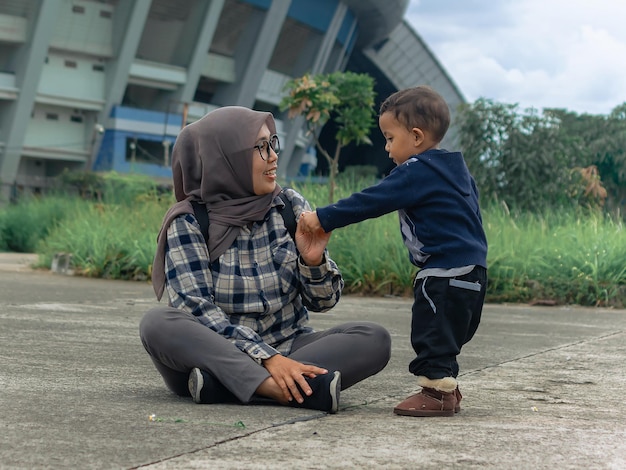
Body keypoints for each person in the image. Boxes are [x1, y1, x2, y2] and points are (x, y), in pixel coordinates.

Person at [139, 106, 391, 414]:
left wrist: (313, 262)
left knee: (373, 337)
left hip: (290, 344)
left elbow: (323, 303)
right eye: (259, 147)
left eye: (272, 143)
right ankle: (279, 387)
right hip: (216, 352)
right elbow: (198, 310)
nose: (273, 156)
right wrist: (267, 358)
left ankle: (227, 387)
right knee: (158, 323)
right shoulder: (190, 221)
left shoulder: (288, 206)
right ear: (225, 157)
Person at [299, 86, 488, 417]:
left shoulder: (417, 170)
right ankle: (448, 388)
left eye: (389, 138)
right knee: (447, 333)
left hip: (442, 272)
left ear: (416, 137)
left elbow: (371, 200)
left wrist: (321, 218)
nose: (386, 148)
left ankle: (436, 393)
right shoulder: (458, 171)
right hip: (474, 271)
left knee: (431, 330)